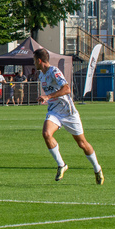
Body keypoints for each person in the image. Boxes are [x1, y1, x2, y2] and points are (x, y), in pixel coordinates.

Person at [34, 48, 104, 184]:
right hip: (54, 111)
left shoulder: (54, 72)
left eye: (34, 60)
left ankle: (97, 168)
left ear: (39, 60)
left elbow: (67, 89)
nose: (34, 63)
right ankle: (62, 165)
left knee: (82, 143)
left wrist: (48, 96)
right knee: (46, 134)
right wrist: (45, 98)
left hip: (68, 112)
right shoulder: (41, 75)